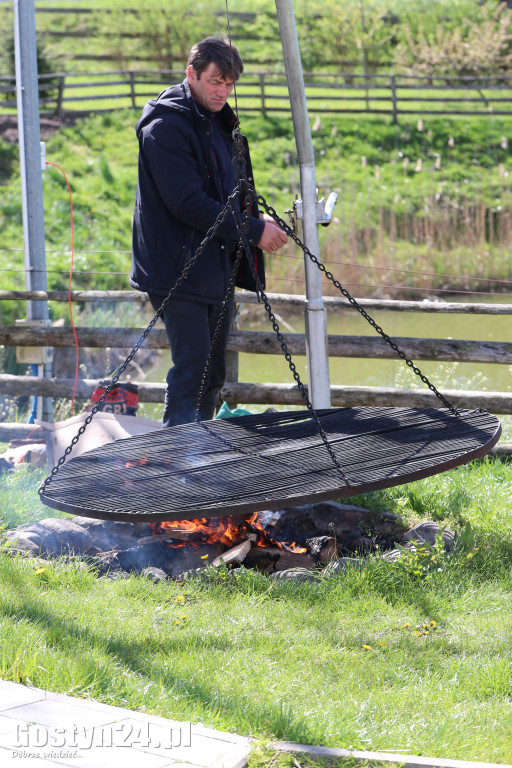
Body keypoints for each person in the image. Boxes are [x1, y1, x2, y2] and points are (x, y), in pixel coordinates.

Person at [131, 36, 287, 427]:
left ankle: (198, 458)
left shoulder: (217, 122)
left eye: (230, 84)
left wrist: (256, 217)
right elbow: (187, 203)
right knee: (193, 368)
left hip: (215, 265)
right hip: (176, 267)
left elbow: (226, 191)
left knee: (212, 374)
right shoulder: (165, 127)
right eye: (216, 82)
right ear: (192, 74)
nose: (223, 91)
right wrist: (252, 231)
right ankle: (177, 463)